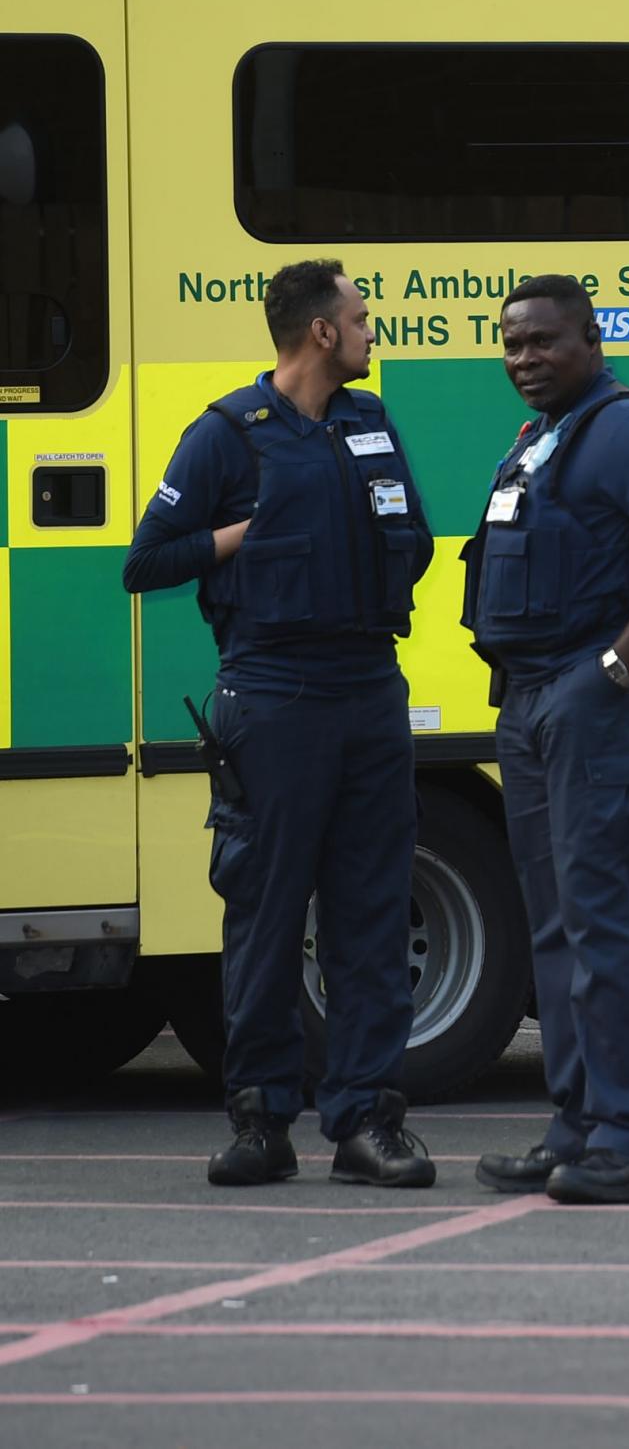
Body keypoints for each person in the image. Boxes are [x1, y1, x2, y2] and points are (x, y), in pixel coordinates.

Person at [123, 260, 437, 1189]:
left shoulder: (369, 422)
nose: (374, 327)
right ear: (321, 334)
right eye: (362, 315)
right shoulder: (228, 435)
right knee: (264, 918)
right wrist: (234, 539)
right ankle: (261, 1121)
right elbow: (146, 560)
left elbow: (413, 537)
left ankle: (369, 1123)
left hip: (369, 690)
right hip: (272, 697)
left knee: (373, 918)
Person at [463, 276, 629, 1204]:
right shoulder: (542, 438)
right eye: (511, 344)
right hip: (535, 703)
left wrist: (616, 666)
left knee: (606, 919)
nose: (523, 359)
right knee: (556, 926)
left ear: (590, 341)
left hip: (599, 701)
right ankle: (577, 1125)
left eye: (542, 341)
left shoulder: (625, 428)